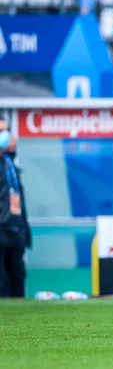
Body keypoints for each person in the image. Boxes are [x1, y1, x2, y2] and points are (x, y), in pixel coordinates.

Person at [0, 120, 29, 298]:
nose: (5, 134)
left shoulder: (9, 163)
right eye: (1, 130)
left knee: (17, 275)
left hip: (15, 227)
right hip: (1, 226)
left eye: (6, 130)